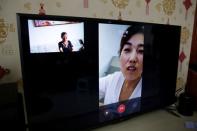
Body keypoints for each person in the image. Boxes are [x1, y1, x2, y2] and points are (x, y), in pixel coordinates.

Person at [99, 25, 144, 106]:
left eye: (141, 51)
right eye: (127, 49)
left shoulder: (150, 90)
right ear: (120, 55)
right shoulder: (112, 79)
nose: (132, 59)